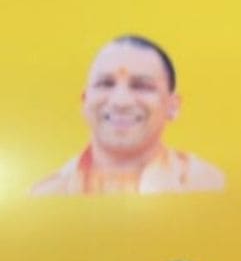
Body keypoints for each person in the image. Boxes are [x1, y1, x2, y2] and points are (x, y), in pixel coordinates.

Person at [31, 35, 225, 196]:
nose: (120, 102)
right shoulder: (48, 195)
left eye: (141, 86)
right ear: (85, 102)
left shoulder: (207, 184)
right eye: (106, 84)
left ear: (173, 107)